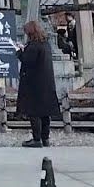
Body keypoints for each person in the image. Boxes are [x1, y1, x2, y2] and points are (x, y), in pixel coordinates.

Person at [16, 19, 61, 148]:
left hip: (34, 84)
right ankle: (45, 138)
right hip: (47, 83)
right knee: (45, 113)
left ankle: (37, 138)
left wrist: (19, 51)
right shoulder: (45, 44)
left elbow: (27, 60)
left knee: (34, 112)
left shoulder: (33, 46)